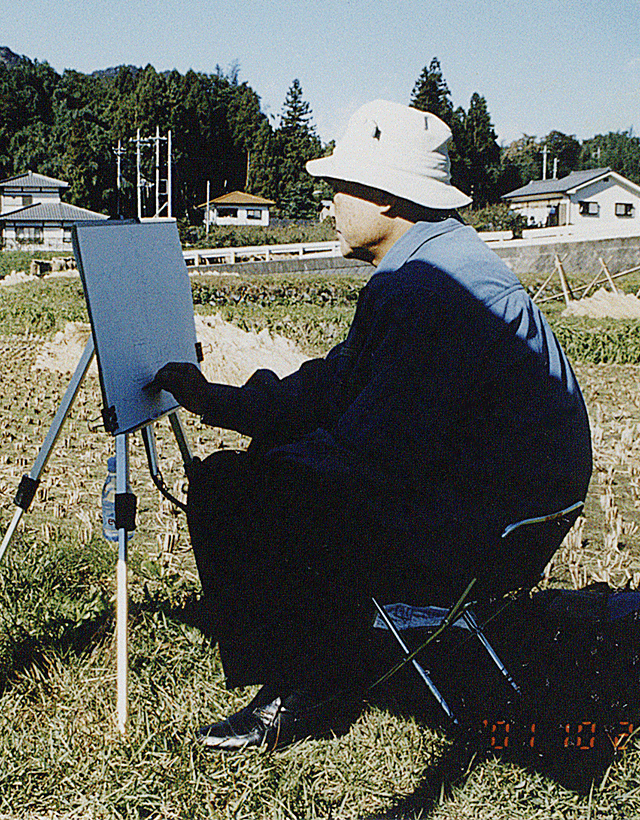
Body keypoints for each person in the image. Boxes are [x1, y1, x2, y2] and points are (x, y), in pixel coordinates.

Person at [148, 100, 592, 750]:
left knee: (228, 489)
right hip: (518, 518)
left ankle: (302, 685)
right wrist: (219, 402)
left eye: (338, 187)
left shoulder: (424, 291)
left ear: (386, 198)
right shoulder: (441, 261)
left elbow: (375, 452)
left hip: (485, 535)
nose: (328, 202)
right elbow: (336, 385)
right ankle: (314, 656)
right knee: (274, 461)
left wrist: (264, 472)